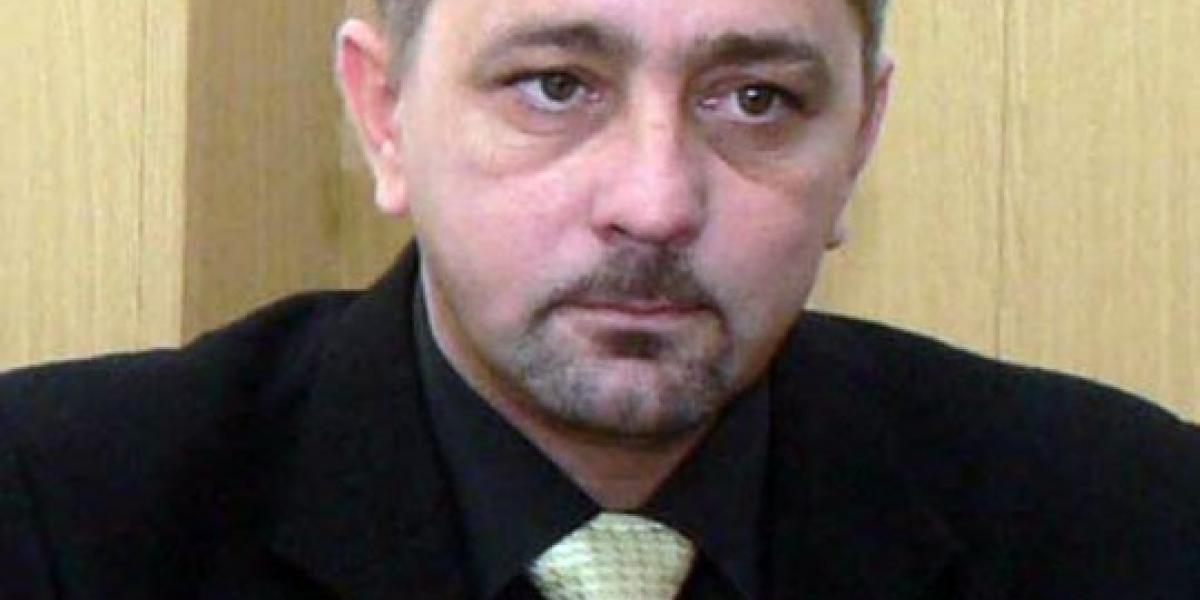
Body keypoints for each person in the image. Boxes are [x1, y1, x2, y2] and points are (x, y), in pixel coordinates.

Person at [2, 0, 1197, 597]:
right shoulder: (54, 520)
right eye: (556, 86)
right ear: (383, 116)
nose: (656, 201)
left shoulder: (1133, 524)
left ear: (861, 142)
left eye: (757, 101)